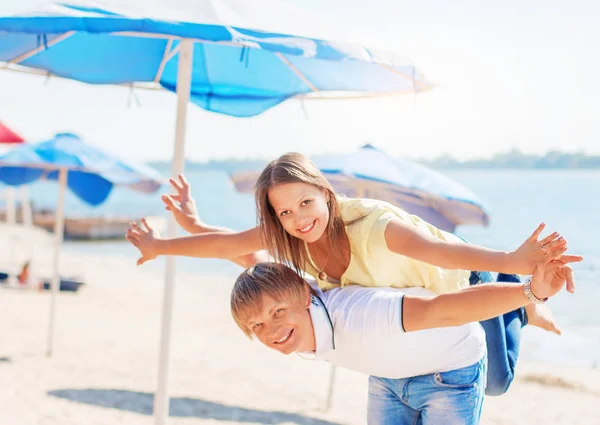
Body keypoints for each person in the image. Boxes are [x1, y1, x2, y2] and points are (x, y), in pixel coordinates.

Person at [126, 154, 583, 394]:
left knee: (497, 382)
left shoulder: (377, 227)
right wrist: (162, 243)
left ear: (325, 193)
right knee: (487, 378)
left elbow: (443, 254)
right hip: (422, 306)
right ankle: (524, 305)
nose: (299, 218)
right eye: (285, 212)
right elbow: (229, 246)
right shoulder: (292, 238)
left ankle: (522, 312)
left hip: (468, 280)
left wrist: (516, 262)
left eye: (306, 202)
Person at [230, 259, 575, 425]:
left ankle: (517, 304)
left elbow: (444, 310)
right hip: (389, 375)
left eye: (277, 312)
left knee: (498, 383)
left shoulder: (361, 315)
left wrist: (532, 291)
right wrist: (195, 226)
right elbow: (249, 258)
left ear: (305, 296)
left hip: (450, 370)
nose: (271, 330)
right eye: (256, 324)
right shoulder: (296, 302)